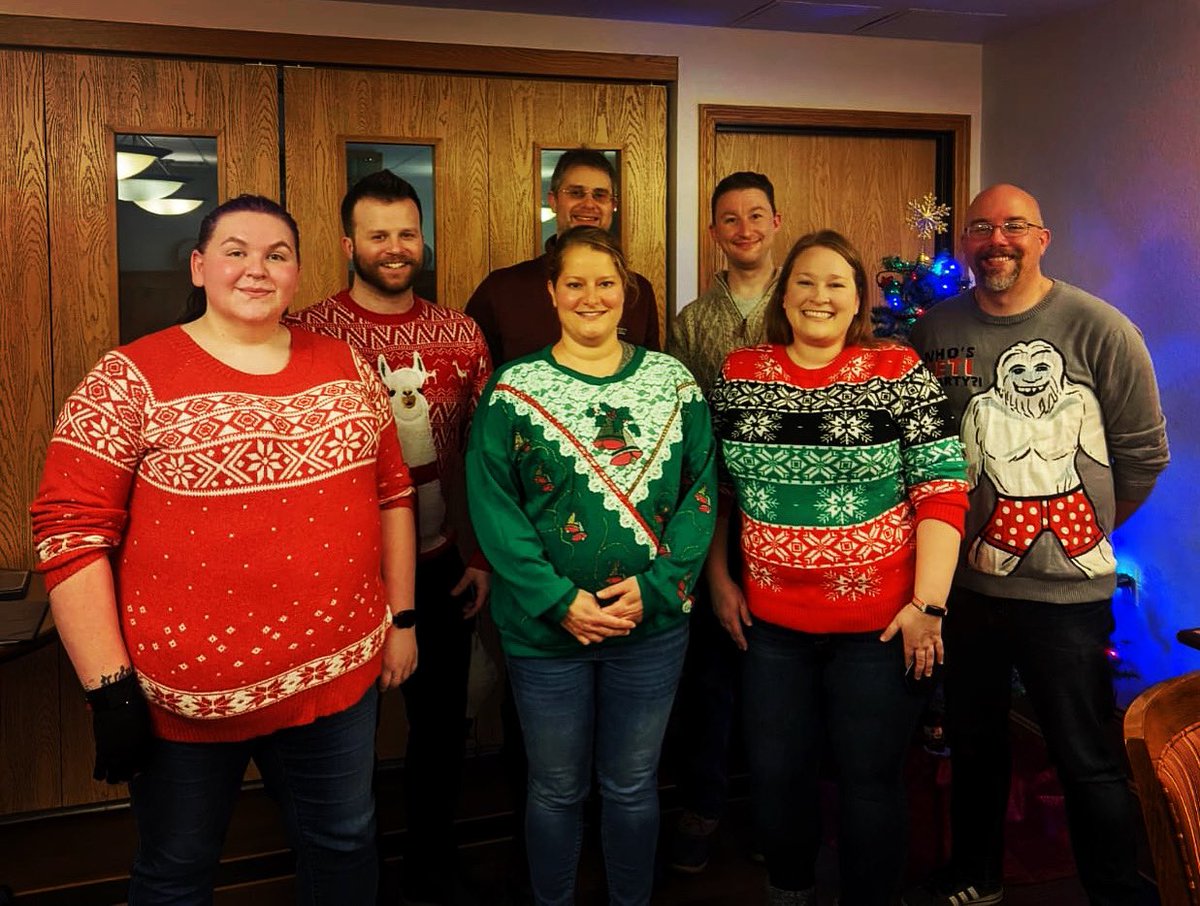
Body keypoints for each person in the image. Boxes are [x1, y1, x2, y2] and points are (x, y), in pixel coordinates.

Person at [29, 194, 417, 905]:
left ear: (299, 273)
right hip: (180, 703)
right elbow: (69, 533)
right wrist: (109, 691)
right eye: (236, 252)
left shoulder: (349, 366)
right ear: (201, 266)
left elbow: (393, 494)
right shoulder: (129, 378)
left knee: (345, 844)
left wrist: (404, 620)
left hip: (338, 680)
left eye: (277, 255)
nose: (257, 270)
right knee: (177, 869)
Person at [903, 184, 1169, 906]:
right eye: (981, 229)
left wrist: (1083, 532)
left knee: (1086, 760)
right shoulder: (934, 331)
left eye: (1013, 227)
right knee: (977, 745)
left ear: (1041, 238)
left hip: (1065, 603)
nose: (997, 241)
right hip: (966, 592)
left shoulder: (1099, 328)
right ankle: (976, 877)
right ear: (965, 245)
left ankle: (1118, 893)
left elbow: (1144, 453)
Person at [707, 229, 970, 906]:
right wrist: (719, 578)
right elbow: (715, 492)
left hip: (881, 628)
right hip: (771, 626)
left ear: (857, 301)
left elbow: (941, 488)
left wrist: (929, 606)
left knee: (869, 780)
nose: (819, 296)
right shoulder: (741, 372)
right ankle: (789, 892)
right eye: (805, 281)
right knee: (775, 774)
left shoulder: (897, 373)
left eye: (836, 284)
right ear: (783, 293)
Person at [465, 226, 715, 906]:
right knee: (554, 788)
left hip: (651, 629)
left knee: (632, 785)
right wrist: (556, 599)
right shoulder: (513, 390)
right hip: (547, 633)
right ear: (552, 292)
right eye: (574, 282)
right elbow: (493, 504)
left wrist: (658, 586)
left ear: (626, 292)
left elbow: (700, 494)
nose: (590, 296)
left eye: (605, 282)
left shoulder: (674, 381)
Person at [286, 170, 492, 906]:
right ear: (349, 244)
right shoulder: (307, 334)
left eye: (407, 232)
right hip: (342, 578)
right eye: (378, 235)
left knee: (439, 731)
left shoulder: (461, 335)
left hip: (441, 569)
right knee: (337, 743)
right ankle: (348, 875)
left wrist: (477, 554)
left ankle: (434, 860)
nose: (396, 248)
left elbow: (482, 455)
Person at [665, 170, 782, 872]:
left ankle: (779, 812)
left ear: (775, 222)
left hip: (792, 518)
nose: (743, 229)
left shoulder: (800, 300)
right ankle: (702, 807)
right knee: (708, 671)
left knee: (780, 672)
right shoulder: (691, 321)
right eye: (729, 219)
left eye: (755, 215)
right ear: (714, 232)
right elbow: (683, 427)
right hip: (716, 512)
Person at [465, 147, 660, 367]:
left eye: (600, 195)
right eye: (576, 193)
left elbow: (648, 371)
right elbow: (477, 381)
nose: (589, 204)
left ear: (612, 205)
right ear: (554, 200)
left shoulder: (637, 290)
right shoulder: (501, 289)